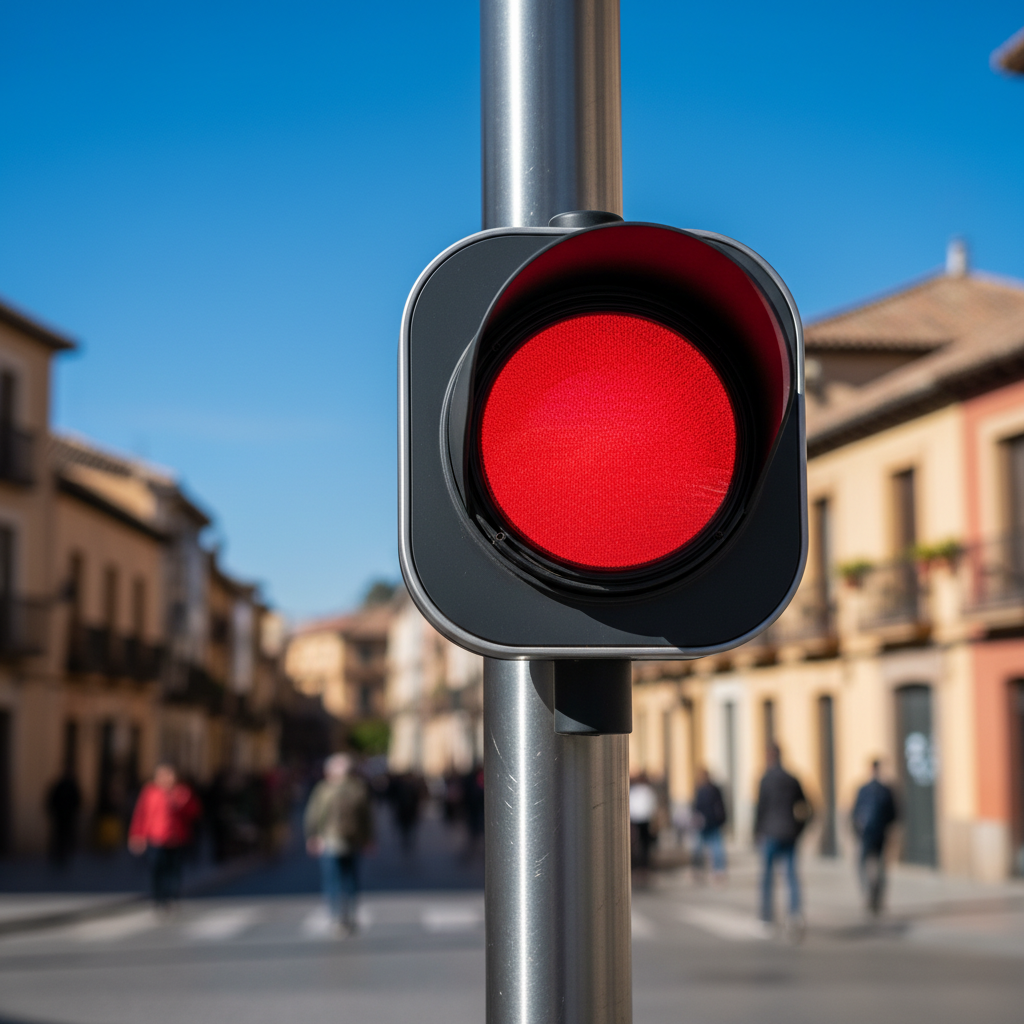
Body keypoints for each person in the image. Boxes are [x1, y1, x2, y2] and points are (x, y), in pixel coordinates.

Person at [304, 754, 374, 935]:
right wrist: (312, 836)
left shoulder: (353, 789)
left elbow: (366, 817)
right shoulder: (329, 789)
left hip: (349, 840)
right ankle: (338, 916)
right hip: (331, 840)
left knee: (346, 879)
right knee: (337, 879)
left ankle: (346, 915)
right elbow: (314, 814)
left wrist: (368, 838)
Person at [754, 743, 811, 933]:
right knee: (792, 876)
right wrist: (800, 828)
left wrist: (757, 832)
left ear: (769, 756)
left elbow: (760, 809)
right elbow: (808, 806)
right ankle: (794, 914)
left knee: (768, 878)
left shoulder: (766, 779)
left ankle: (767, 917)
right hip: (789, 833)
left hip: (770, 833)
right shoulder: (792, 778)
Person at [128, 763, 202, 908]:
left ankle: (172, 897)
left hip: (177, 839)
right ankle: (158, 897)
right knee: (157, 868)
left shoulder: (182, 792)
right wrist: (137, 835)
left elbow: (195, 812)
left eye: (169, 775)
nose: (166, 778)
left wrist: (184, 801)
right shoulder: (150, 792)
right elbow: (141, 814)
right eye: (162, 775)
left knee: (174, 870)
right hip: (156, 838)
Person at [852, 759, 898, 916]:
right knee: (880, 866)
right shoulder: (886, 790)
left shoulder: (864, 789)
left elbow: (855, 812)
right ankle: (878, 896)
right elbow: (894, 814)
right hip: (881, 833)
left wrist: (857, 832)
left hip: (867, 834)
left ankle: (868, 893)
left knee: (863, 865)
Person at [692, 768, 727, 881]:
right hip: (704, 824)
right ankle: (700, 870)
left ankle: (717, 870)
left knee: (715, 848)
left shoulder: (710, 789)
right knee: (699, 848)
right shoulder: (701, 789)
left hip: (711, 823)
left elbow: (719, 806)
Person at [45, 770, 82, 867]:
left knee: (61, 836)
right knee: (63, 836)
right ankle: (61, 855)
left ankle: (61, 855)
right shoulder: (67, 786)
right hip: (64, 816)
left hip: (62, 816)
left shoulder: (62, 786)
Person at [629, 773, 658, 877]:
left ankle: (642, 867)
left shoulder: (640, 791)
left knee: (642, 845)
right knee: (641, 846)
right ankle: (640, 867)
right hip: (640, 821)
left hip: (641, 821)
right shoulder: (643, 790)